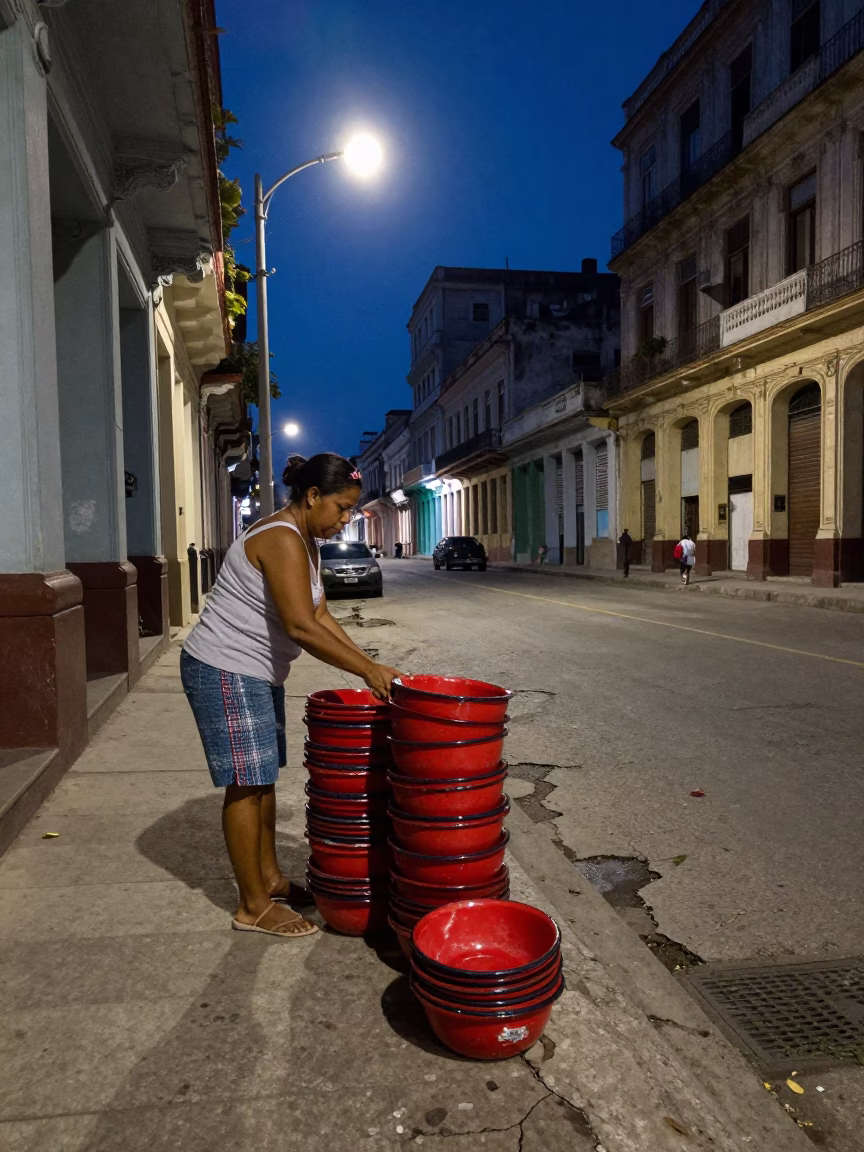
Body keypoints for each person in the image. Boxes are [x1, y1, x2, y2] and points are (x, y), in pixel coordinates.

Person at [181, 453, 402, 940]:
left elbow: (320, 615)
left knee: (263, 779)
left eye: (351, 509)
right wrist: (366, 670)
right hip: (225, 666)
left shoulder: (307, 541)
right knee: (246, 782)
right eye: (342, 508)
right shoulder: (281, 538)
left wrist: (369, 666)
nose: (346, 519)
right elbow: (301, 626)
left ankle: (271, 878)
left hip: (256, 671)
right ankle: (252, 905)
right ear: (312, 496)